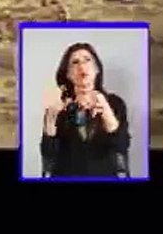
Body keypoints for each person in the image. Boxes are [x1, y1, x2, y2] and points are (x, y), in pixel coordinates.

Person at [39, 41, 131, 178]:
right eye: (75, 62)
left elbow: (121, 146)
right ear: (68, 74)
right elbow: (48, 154)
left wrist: (106, 112)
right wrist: (51, 118)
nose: (82, 66)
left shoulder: (114, 103)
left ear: (97, 69)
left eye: (87, 60)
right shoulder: (60, 106)